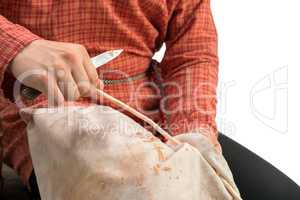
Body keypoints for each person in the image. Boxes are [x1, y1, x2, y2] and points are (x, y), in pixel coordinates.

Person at [0, 0, 219, 197]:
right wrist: (16, 46)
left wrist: (194, 133)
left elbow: (192, 56)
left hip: (150, 117)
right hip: (41, 115)